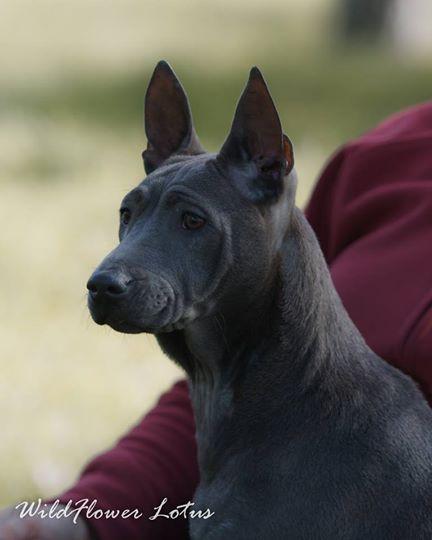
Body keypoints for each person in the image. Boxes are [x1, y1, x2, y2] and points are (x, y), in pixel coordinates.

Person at [1, 101, 431, 539]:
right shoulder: (387, 157)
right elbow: (236, 375)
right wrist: (85, 514)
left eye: (191, 221)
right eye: (129, 215)